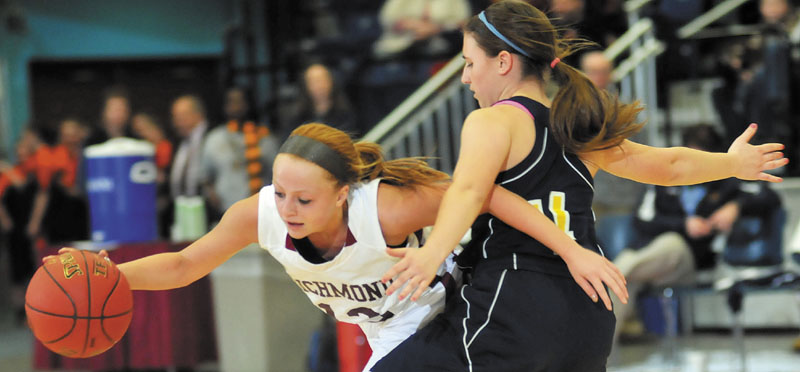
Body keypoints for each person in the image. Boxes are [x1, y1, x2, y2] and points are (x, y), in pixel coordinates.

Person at [373, 2, 787, 370]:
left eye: (468, 62)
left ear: (503, 62)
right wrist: (732, 163)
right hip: (586, 309)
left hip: (514, 298)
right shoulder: (576, 127)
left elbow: (470, 192)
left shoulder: (492, 120)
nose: (465, 77)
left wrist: (431, 253)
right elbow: (670, 166)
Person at [51, 123, 627, 371]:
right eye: (280, 194)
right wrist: (114, 275)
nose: (287, 210)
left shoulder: (386, 206)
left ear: (344, 193)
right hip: (389, 334)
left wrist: (574, 249)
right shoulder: (260, 214)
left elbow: (489, 195)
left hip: (454, 315)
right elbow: (184, 263)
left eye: (303, 199)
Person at [611, 124, 782, 348]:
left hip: (690, 261)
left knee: (624, 269)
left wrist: (736, 206)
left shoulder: (726, 178)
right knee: (623, 280)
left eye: (703, 156)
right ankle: (604, 353)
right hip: (650, 257)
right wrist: (683, 224)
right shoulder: (664, 178)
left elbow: (769, 197)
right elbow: (641, 220)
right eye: (691, 154)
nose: (696, 163)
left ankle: (611, 278)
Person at [201, 86, 279, 219]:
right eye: (231, 102)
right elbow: (205, 178)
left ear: (249, 104)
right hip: (226, 212)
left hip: (263, 212)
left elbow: (278, 175)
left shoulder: (266, 138)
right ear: (225, 106)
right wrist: (212, 196)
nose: (236, 107)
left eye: (240, 101)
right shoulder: (214, 139)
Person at [289, 64, 359, 136]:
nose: (319, 85)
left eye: (321, 80)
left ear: (331, 82)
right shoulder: (297, 118)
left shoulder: (346, 115)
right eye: (313, 81)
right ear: (305, 86)